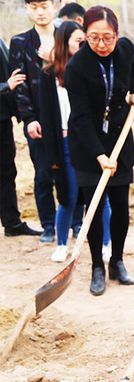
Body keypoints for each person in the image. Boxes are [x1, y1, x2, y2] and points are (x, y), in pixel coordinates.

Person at [65, 5, 134, 295]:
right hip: (88, 146)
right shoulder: (77, 68)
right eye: (94, 37)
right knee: (95, 208)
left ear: (117, 35)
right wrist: (99, 156)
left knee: (120, 207)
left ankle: (117, 261)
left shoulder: (124, 50)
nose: (101, 44)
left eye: (107, 37)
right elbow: (82, 118)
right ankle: (97, 265)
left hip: (119, 140)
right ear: (85, 34)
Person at [10, 0, 58, 243]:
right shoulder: (19, 42)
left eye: (44, 6)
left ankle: (75, 222)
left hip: (68, 120)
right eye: (33, 6)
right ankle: (48, 225)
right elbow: (20, 85)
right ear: (27, 8)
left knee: (72, 174)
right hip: (37, 120)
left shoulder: (67, 36)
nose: (40, 12)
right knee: (42, 174)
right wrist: (28, 118)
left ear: (56, 5)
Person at [39, 21, 85, 262]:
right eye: (78, 41)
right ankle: (61, 243)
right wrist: (52, 156)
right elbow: (47, 116)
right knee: (67, 195)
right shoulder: (48, 74)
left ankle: (106, 243)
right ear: (64, 42)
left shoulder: (87, 69)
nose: (84, 45)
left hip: (85, 142)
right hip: (64, 142)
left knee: (99, 197)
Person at [1, 37, 41, 237]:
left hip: (2, 118)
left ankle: (12, 223)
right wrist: (5, 86)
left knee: (7, 171)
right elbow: (8, 81)